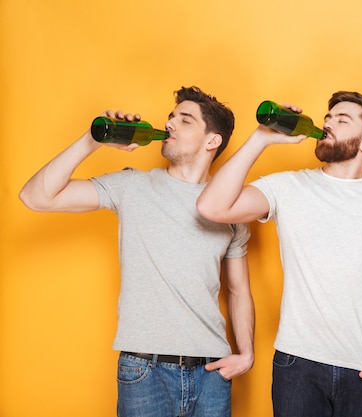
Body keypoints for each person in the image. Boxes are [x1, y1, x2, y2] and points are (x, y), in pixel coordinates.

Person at [19, 86, 255, 417]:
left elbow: (238, 289)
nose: (170, 124)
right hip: (144, 370)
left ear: (212, 141)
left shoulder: (229, 208)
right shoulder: (131, 186)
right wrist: (92, 139)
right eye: (171, 117)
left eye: (185, 120)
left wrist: (246, 353)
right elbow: (35, 197)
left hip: (211, 372)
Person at [196, 91, 362, 417]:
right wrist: (261, 138)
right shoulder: (287, 187)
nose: (328, 125)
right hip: (297, 365)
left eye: (342, 120)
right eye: (328, 118)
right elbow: (211, 206)